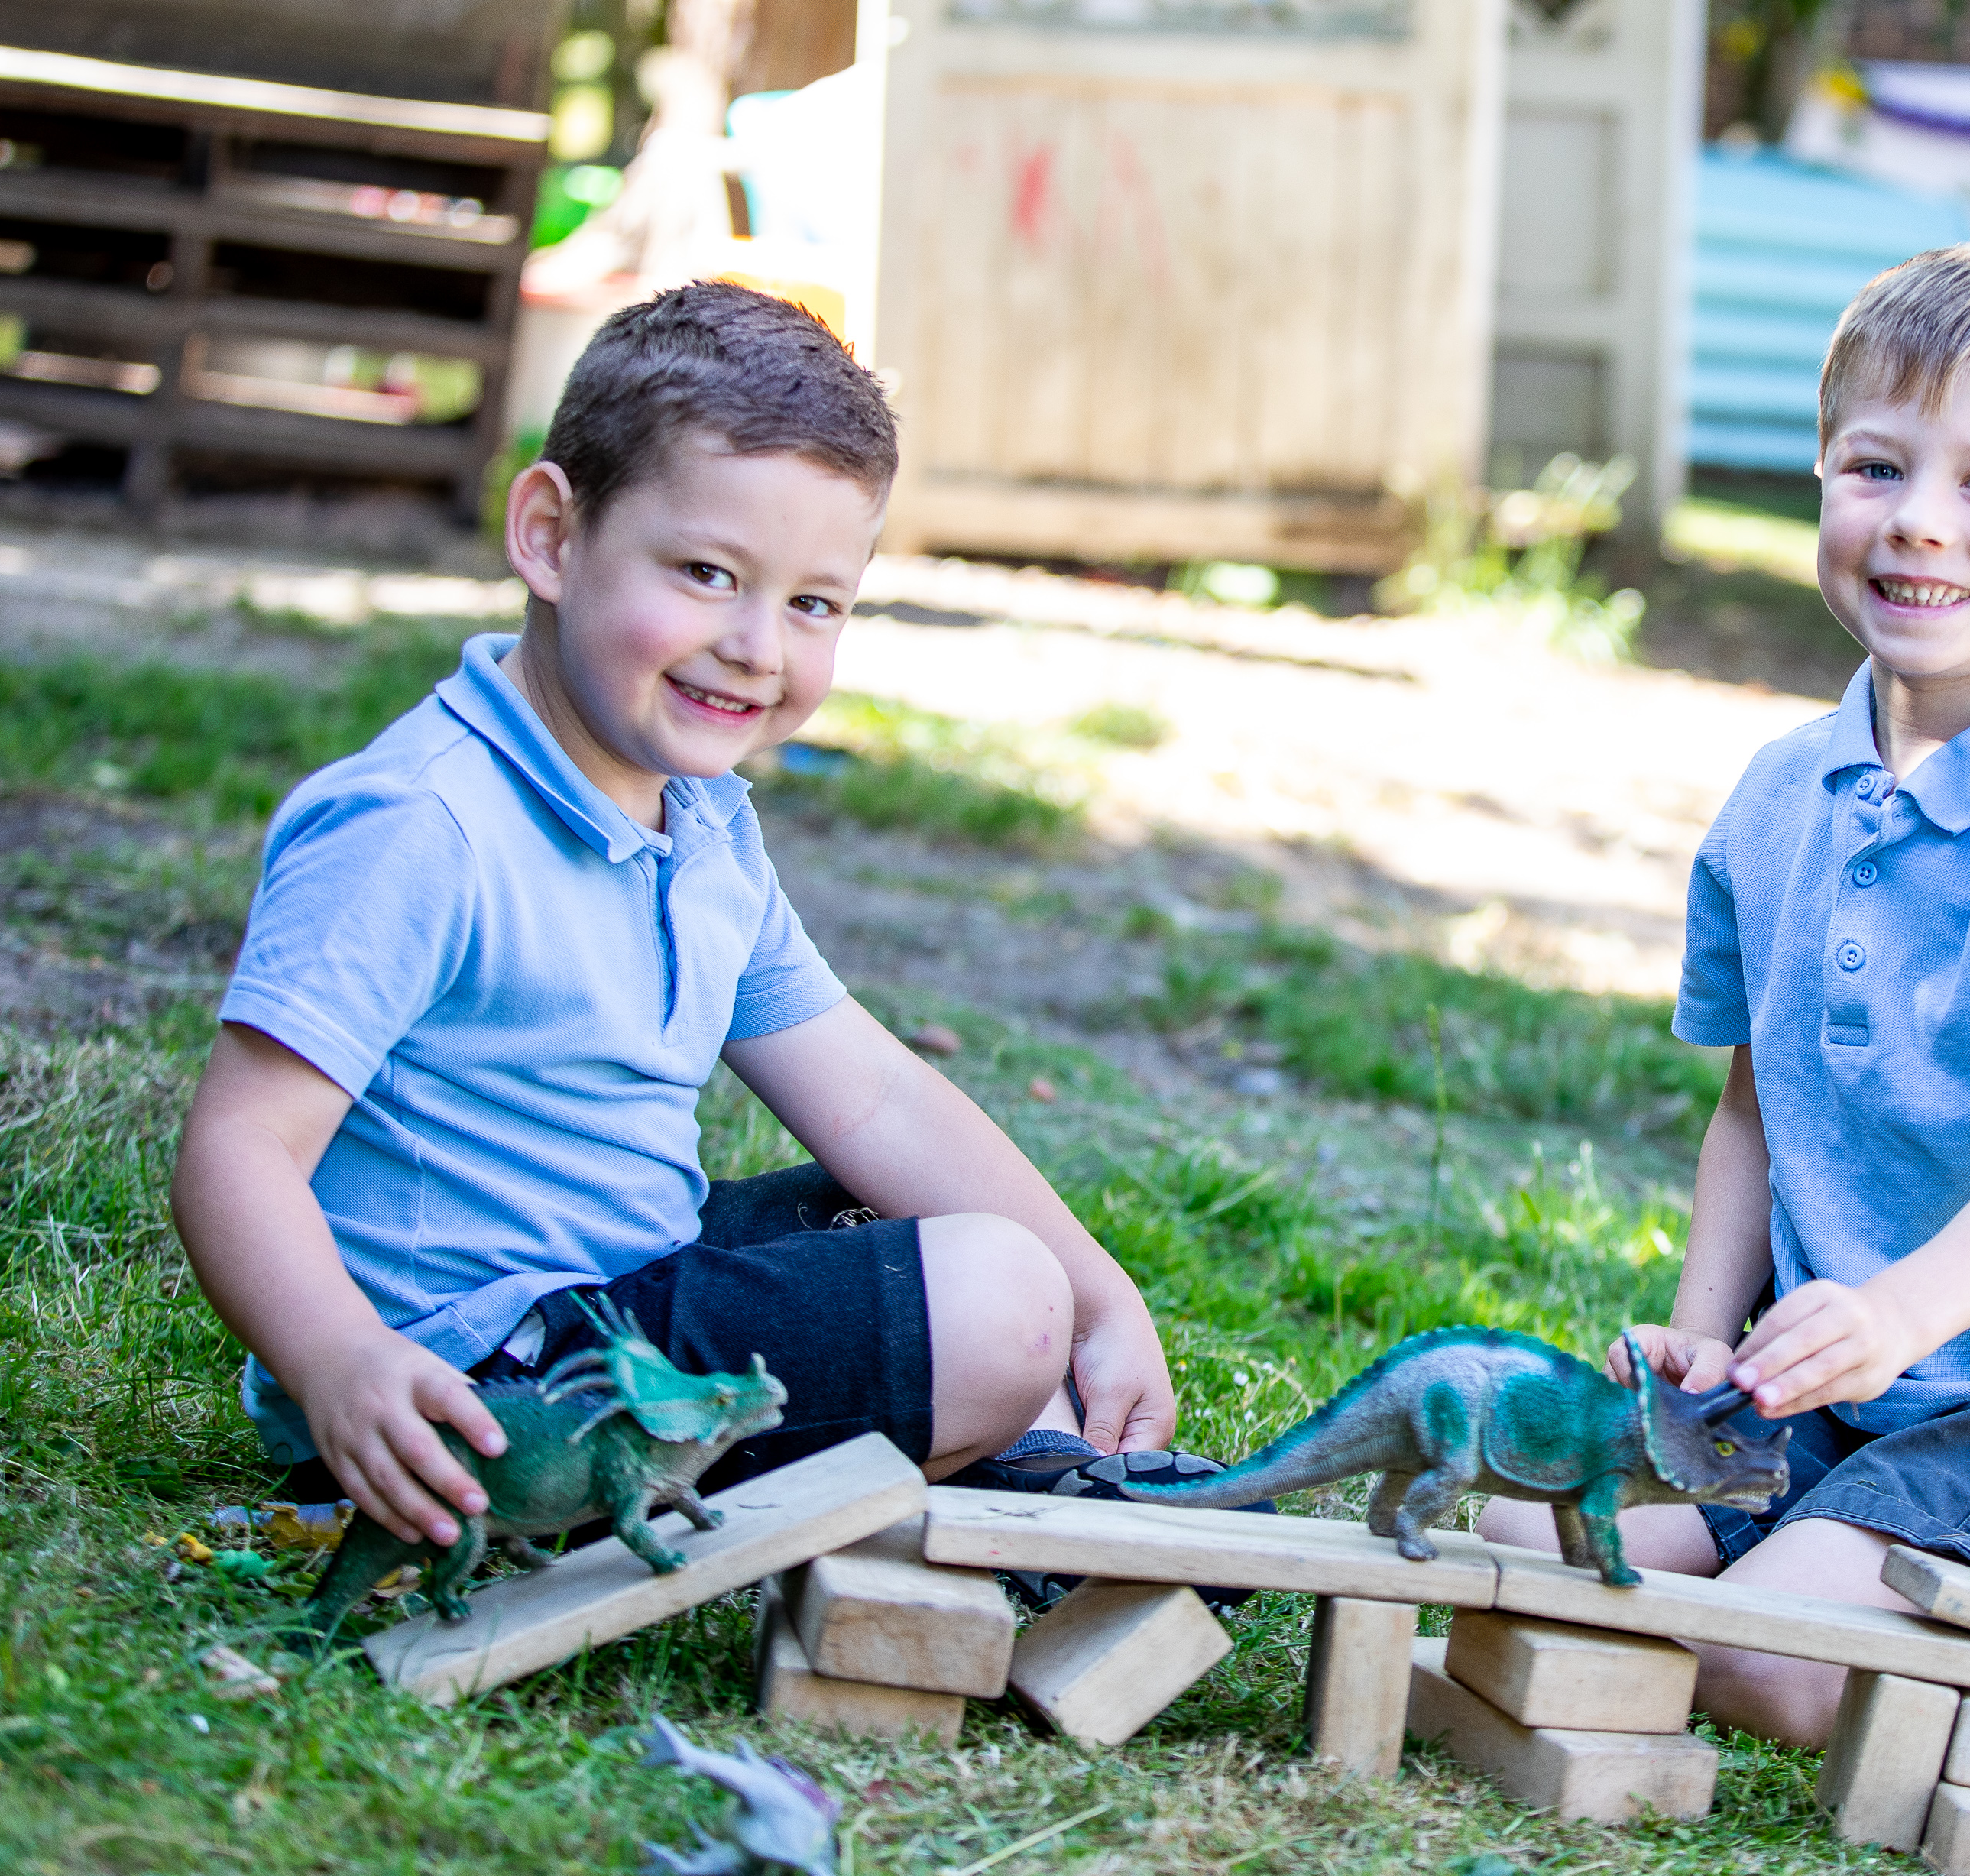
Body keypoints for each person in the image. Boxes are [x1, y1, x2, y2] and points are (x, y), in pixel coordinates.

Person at [171, 280, 1207, 1562]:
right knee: (994, 1299)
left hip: (629, 1293)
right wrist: (341, 1363)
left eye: (814, 603)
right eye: (709, 574)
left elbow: (877, 1100)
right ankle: (1014, 1451)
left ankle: (1040, 1455)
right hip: (484, 1385)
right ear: (552, 536)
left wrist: (1104, 1296)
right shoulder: (424, 822)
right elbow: (236, 1149)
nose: (757, 647)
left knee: (901, 1217)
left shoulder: (700, 823)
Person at [1480, 243, 1970, 1746]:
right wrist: (1703, 1336)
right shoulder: (1780, 798)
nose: (1919, 525)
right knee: (1530, 1534)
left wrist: (1897, 1313)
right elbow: (1753, 1114)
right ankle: (1852, 1546)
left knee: (1770, 1661)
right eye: (1877, 465)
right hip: (1827, 1368)